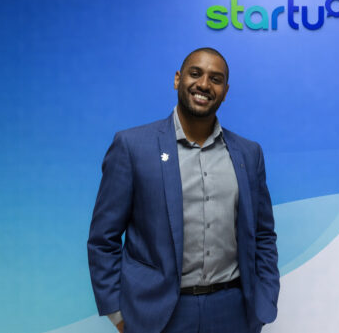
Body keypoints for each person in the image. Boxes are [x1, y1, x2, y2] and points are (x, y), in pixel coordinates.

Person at [88, 47, 279, 333]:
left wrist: (264, 300)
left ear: (225, 91)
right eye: (195, 74)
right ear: (178, 79)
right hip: (158, 315)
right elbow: (103, 239)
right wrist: (118, 314)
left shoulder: (249, 154)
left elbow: (263, 235)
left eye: (216, 79)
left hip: (233, 312)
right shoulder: (132, 147)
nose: (204, 84)